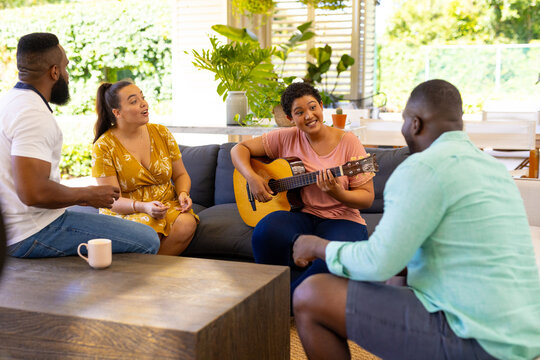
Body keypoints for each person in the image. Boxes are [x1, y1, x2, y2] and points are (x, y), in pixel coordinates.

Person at [292, 79, 540, 360]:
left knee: (310, 294)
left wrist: (315, 246)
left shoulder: (422, 167)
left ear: (415, 124)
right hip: (524, 339)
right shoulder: (494, 170)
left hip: (479, 341)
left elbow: (376, 264)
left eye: (404, 120)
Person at [0, 33, 160, 258]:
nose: (67, 75)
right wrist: (87, 195)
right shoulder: (33, 114)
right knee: (147, 239)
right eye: (65, 68)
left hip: (12, 229)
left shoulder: (8, 102)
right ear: (54, 72)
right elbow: (32, 192)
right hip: (32, 231)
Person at [231, 82, 375, 297]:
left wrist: (338, 193)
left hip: (343, 219)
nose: (309, 116)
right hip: (301, 215)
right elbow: (238, 148)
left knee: (335, 258)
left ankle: (283, 299)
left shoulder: (349, 142)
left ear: (321, 106)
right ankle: (275, 291)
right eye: (299, 112)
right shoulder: (285, 137)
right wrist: (251, 177)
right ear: (290, 118)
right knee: (265, 232)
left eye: (312, 107)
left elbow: (367, 199)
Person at [92, 81, 198, 256]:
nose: (144, 103)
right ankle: (151, 275)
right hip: (126, 211)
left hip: (165, 205)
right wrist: (144, 207)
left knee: (187, 223)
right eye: (133, 101)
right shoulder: (103, 146)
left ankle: (150, 273)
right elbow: (112, 201)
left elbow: (180, 174)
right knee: (145, 228)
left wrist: (183, 193)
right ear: (117, 113)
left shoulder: (162, 133)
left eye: (143, 97)